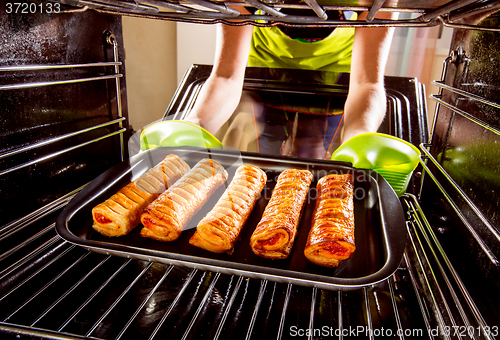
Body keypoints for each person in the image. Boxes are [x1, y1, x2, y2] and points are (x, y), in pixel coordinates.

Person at [185, 7, 396, 158]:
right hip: (265, 68)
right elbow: (226, 77)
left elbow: (367, 83)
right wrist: (194, 127)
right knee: (267, 149)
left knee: (312, 152)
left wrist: (360, 141)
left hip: (338, 74)